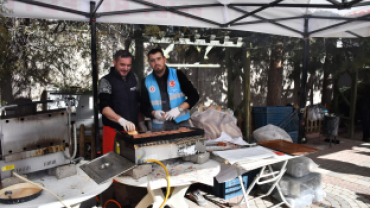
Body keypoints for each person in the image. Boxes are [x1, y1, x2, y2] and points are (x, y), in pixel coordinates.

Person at [98, 50, 146, 208]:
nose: (126, 68)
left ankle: (136, 200)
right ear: (114, 62)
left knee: (134, 165)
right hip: (113, 131)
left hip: (132, 132)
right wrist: (121, 120)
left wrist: (142, 123)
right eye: (122, 64)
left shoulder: (134, 78)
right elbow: (104, 108)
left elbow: (137, 104)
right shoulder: (106, 81)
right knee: (114, 168)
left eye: (128, 65)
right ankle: (119, 203)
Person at [140, 48, 199, 131]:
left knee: (185, 143)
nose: (156, 62)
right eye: (152, 60)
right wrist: (154, 113)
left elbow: (194, 95)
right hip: (158, 126)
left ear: (164, 60)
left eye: (159, 59)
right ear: (149, 63)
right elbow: (143, 106)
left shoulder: (177, 75)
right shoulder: (146, 81)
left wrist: (179, 109)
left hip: (181, 123)